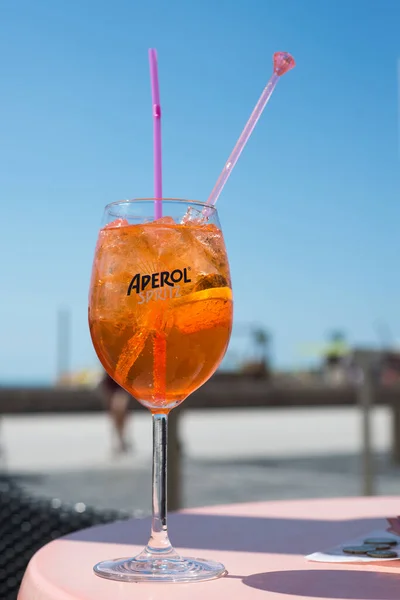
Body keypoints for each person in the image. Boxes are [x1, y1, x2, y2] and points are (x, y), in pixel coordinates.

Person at [99, 372, 132, 454]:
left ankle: (121, 440)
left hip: (121, 383)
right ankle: (120, 440)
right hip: (112, 382)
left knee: (120, 415)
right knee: (115, 417)